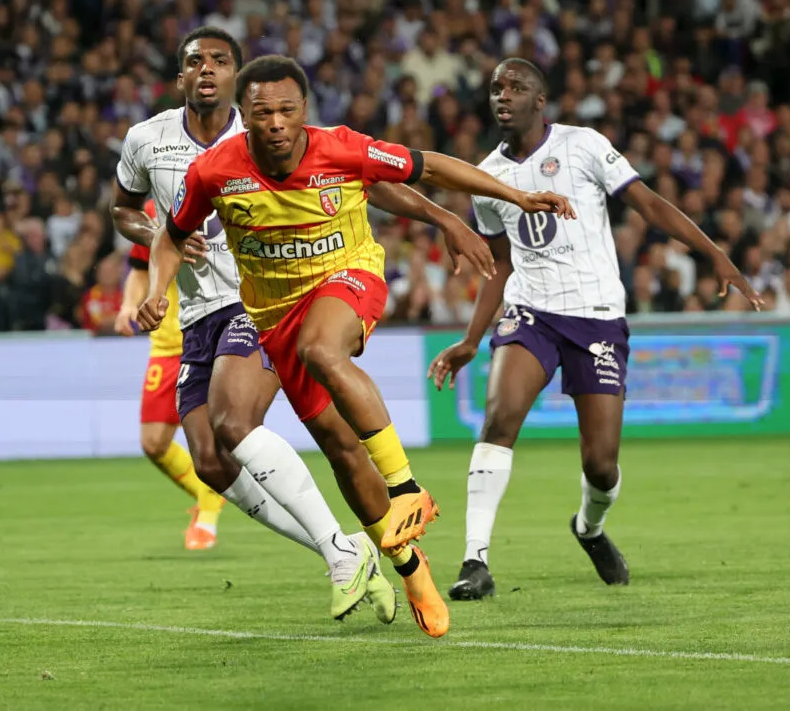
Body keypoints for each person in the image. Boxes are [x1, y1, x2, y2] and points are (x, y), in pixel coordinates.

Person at [139, 54, 572, 638]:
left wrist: (511, 199)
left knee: (323, 348)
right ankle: (410, 569)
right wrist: (157, 288)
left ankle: (407, 487)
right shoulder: (215, 170)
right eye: (262, 111)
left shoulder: (339, 148)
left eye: (287, 110)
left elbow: (427, 168)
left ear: (304, 112)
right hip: (272, 315)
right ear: (244, 115)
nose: (275, 122)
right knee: (334, 448)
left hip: (349, 278)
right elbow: (171, 236)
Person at [429, 58, 762, 600]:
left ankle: (590, 527)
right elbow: (501, 263)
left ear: (541, 101)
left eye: (515, 88)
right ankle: (475, 560)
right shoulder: (485, 177)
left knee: (601, 465)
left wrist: (714, 254)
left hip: (597, 317)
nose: (502, 97)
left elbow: (648, 205)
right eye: (495, 89)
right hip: (531, 312)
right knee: (499, 418)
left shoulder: (583, 145)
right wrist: (471, 339)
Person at [115, 197, 226, 550]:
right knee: (153, 443)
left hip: (207, 334)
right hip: (165, 344)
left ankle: (207, 517)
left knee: (209, 436)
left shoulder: (221, 199)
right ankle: (208, 491)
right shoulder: (150, 210)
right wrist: (128, 305)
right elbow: (138, 268)